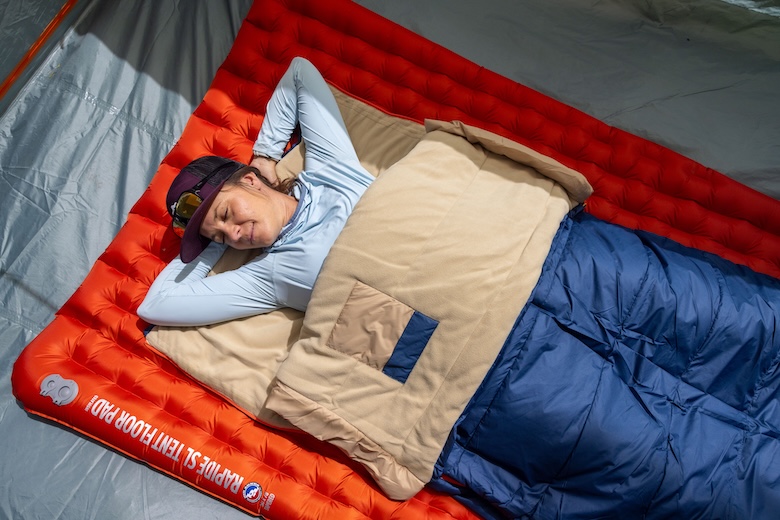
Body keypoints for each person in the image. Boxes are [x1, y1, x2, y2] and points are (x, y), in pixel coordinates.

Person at [137, 57, 373, 326]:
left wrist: (265, 155)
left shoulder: (330, 170)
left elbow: (299, 72)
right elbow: (156, 306)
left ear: (250, 180)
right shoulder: (269, 277)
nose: (234, 234)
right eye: (222, 239)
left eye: (225, 214)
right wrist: (211, 239)